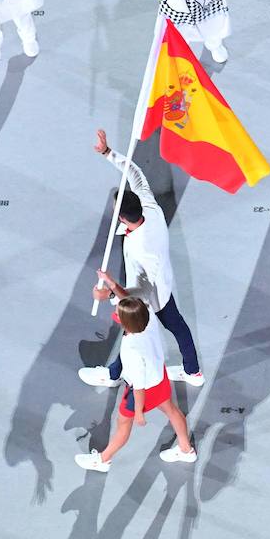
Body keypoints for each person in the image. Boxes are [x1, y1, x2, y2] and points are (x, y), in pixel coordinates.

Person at [79, 129, 205, 388]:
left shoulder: (143, 248)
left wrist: (111, 294)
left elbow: (142, 290)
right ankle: (193, 372)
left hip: (148, 295)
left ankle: (113, 376)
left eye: (115, 212)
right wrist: (107, 153)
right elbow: (135, 174)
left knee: (131, 334)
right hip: (160, 284)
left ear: (123, 218)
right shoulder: (147, 206)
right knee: (177, 327)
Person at [74, 296, 198, 472]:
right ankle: (186, 449)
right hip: (159, 377)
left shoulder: (131, 349)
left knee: (123, 423)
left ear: (126, 323)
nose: (115, 312)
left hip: (142, 391)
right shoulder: (149, 319)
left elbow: (139, 385)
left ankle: (102, 460)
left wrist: (139, 412)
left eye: (118, 313)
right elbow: (130, 301)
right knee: (171, 410)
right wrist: (110, 291)